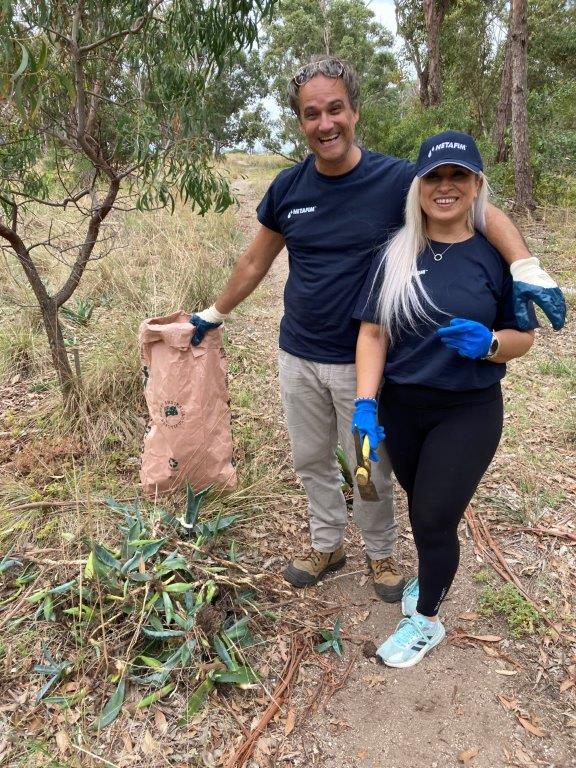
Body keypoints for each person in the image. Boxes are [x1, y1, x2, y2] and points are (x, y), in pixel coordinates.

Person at [190, 57, 564, 600]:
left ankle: (382, 553)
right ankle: (326, 542)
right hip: (297, 352)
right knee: (311, 458)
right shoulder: (288, 188)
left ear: (354, 112)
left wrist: (524, 267)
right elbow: (254, 263)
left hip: (363, 358)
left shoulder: (395, 181)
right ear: (300, 123)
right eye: (312, 114)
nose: (326, 123)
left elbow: (482, 212)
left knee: (368, 464)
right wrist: (214, 312)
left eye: (335, 109)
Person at [352, 130, 538, 668]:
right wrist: (366, 405)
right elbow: (372, 334)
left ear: (477, 184)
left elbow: (522, 335)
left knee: (433, 518)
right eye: (434, 176)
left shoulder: (494, 257)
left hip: (468, 410)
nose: (446, 186)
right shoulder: (395, 252)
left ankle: (427, 619)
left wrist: (492, 344)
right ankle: (431, 580)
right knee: (420, 503)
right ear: (418, 186)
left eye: (459, 175)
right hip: (402, 408)